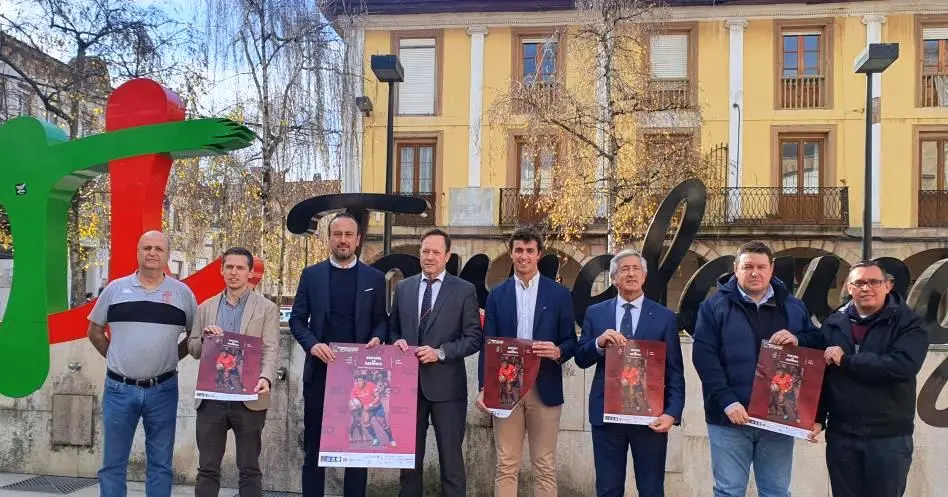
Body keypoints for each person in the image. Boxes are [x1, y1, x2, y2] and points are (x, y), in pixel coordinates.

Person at [692, 241, 822, 497]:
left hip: (778, 419)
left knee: (775, 492)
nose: (755, 273)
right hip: (728, 417)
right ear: (736, 268)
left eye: (761, 267)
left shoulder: (794, 307)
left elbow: (816, 345)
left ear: (771, 269)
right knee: (729, 491)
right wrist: (727, 401)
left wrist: (798, 339)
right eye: (748, 266)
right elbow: (704, 358)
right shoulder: (713, 307)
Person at [87, 230, 198, 497]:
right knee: (113, 464)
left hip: (163, 390)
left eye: (158, 249)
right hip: (118, 389)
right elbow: (94, 331)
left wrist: (171, 357)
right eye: (147, 248)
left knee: (160, 464)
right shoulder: (115, 290)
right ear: (138, 253)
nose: (152, 253)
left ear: (167, 255)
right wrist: (116, 357)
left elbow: (194, 337)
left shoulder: (182, 294)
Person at [809, 261, 928, 497]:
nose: (866, 288)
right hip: (842, 436)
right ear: (849, 287)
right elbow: (822, 374)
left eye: (874, 282)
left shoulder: (909, 323)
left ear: (888, 286)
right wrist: (817, 418)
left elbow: (902, 366)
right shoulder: (833, 324)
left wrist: (848, 361)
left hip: (888, 438)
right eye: (859, 283)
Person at [289, 213, 388, 497]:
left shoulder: (375, 278)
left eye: (348, 235)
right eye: (337, 234)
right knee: (315, 448)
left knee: (357, 451)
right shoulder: (312, 275)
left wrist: (378, 337)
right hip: (320, 375)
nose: (342, 240)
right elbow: (297, 320)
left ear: (358, 240)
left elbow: (382, 319)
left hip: (360, 378)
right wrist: (312, 344)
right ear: (329, 238)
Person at [574, 248, 685, 497]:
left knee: (651, 488)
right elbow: (581, 358)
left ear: (644, 277)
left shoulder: (665, 317)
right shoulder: (596, 313)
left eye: (636, 269)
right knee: (608, 489)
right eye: (625, 269)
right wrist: (598, 343)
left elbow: (675, 371)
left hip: (650, 417)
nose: (631, 274)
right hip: (607, 417)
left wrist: (672, 413)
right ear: (614, 278)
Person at [476, 227, 577, 497]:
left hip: (544, 387)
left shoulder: (559, 295)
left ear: (538, 254)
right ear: (511, 253)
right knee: (506, 464)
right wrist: (483, 387)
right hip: (506, 387)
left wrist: (557, 351)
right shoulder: (497, 294)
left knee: (544, 465)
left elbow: (571, 342)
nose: (524, 256)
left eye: (529, 251)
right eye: (519, 250)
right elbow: (489, 344)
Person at [389, 228, 482, 497]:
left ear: (447, 256)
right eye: (425, 251)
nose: (429, 257)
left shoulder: (464, 291)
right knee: (407, 464)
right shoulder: (403, 288)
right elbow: (392, 329)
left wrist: (441, 352)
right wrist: (396, 342)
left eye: (435, 252)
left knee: (451, 466)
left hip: (448, 391)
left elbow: (474, 338)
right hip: (407, 390)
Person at [187, 247, 280, 497]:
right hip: (211, 398)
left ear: (250, 272)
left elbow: (271, 348)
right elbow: (193, 347)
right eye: (229, 267)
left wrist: (266, 377)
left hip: (248, 397)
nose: (234, 272)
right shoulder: (205, 307)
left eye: (240, 267)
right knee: (207, 468)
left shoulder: (267, 308)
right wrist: (205, 339)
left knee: (249, 469)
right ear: (221, 270)